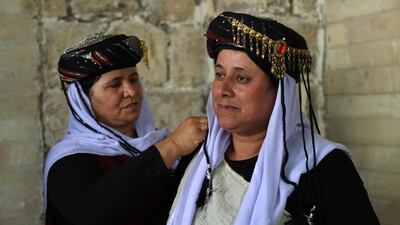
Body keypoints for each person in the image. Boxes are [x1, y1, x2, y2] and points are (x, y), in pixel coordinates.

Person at [168, 11, 380, 225]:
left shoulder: (324, 170)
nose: (223, 89)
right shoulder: (198, 152)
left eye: (241, 78)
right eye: (220, 74)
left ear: (280, 93)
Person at [43, 33, 207, 225]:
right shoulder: (67, 161)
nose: (130, 91)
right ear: (83, 100)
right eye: (115, 84)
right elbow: (90, 213)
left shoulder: (156, 142)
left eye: (134, 79)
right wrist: (173, 146)